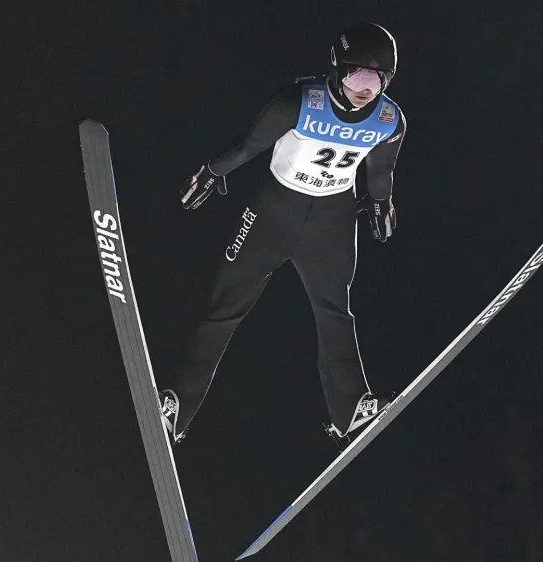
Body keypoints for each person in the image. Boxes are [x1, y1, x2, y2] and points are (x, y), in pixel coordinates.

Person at [160, 22, 406, 452]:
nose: (365, 89)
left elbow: (381, 172)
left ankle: (350, 411)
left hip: (332, 221)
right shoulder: (298, 102)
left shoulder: (390, 120)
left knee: (335, 313)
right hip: (274, 213)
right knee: (225, 307)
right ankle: (177, 405)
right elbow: (248, 145)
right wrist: (211, 173)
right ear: (336, 69)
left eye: (377, 80)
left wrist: (382, 204)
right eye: (356, 76)